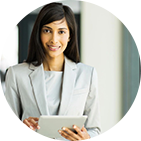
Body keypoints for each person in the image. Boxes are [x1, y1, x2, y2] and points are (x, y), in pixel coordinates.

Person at [0, 2, 101, 141]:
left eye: (61, 32)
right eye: (47, 30)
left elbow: (94, 129)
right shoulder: (16, 74)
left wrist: (88, 139)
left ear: (70, 35)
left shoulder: (87, 75)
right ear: (38, 33)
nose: (54, 40)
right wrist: (20, 131)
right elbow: (5, 134)